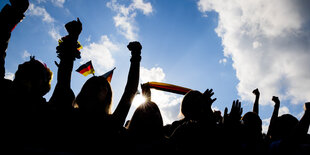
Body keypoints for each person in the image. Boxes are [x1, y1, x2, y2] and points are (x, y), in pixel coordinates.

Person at [72, 41, 142, 154]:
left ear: (108, 95)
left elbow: (130, 91)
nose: (98, 88)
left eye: (103, 87)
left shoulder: (112, 122)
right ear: (84, 90)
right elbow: (63, 83)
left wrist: (135, 57)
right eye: (94, 85)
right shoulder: (68, 114)